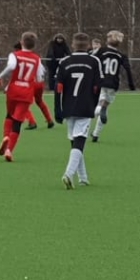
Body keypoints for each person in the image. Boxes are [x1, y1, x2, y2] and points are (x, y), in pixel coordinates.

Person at [56, 33, 102, 189]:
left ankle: (83, 178)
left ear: (73, 45)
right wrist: (94, 106)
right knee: (79, 141)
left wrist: (58, 109)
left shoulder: (64, 61)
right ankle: (68, 174)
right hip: (85, 106)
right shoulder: (94, 61)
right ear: (88, 45)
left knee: (75, 142)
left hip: (68, 106)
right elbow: (97, 87)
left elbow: (58, 88)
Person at [0, 32, 47, 161]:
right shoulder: (37, 59)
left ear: (21, 42)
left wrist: (0, 76)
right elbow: (40, 77)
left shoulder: (14, 55)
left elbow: (11, 66)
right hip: (26, 92)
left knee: (9, 115)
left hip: (13, 91)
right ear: (34, 45)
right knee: (17, 122)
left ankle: (6, 136)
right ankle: (9, 150)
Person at [90, 30, 136, 143]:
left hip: (100, 81)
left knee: (97, 105)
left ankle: (97, 113)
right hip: (113, 83)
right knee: (105, 105)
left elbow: (91, 59)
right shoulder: (121, 55)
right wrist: (131, 84)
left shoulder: (101, 51)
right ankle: (96, 134)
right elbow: (128, 69)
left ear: (108, 41)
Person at [44, 32, 69, 115]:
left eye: (61, 39)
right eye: (58, 39)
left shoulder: (64, 45)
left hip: (60, 62)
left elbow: (67, 51)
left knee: (60, 76)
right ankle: (51, 88)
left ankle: (60, 88)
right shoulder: (52, 44)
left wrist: (68, 56)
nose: (59, 40)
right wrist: (52, 57)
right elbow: (50, 51)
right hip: (52, 62)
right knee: (51, 75)